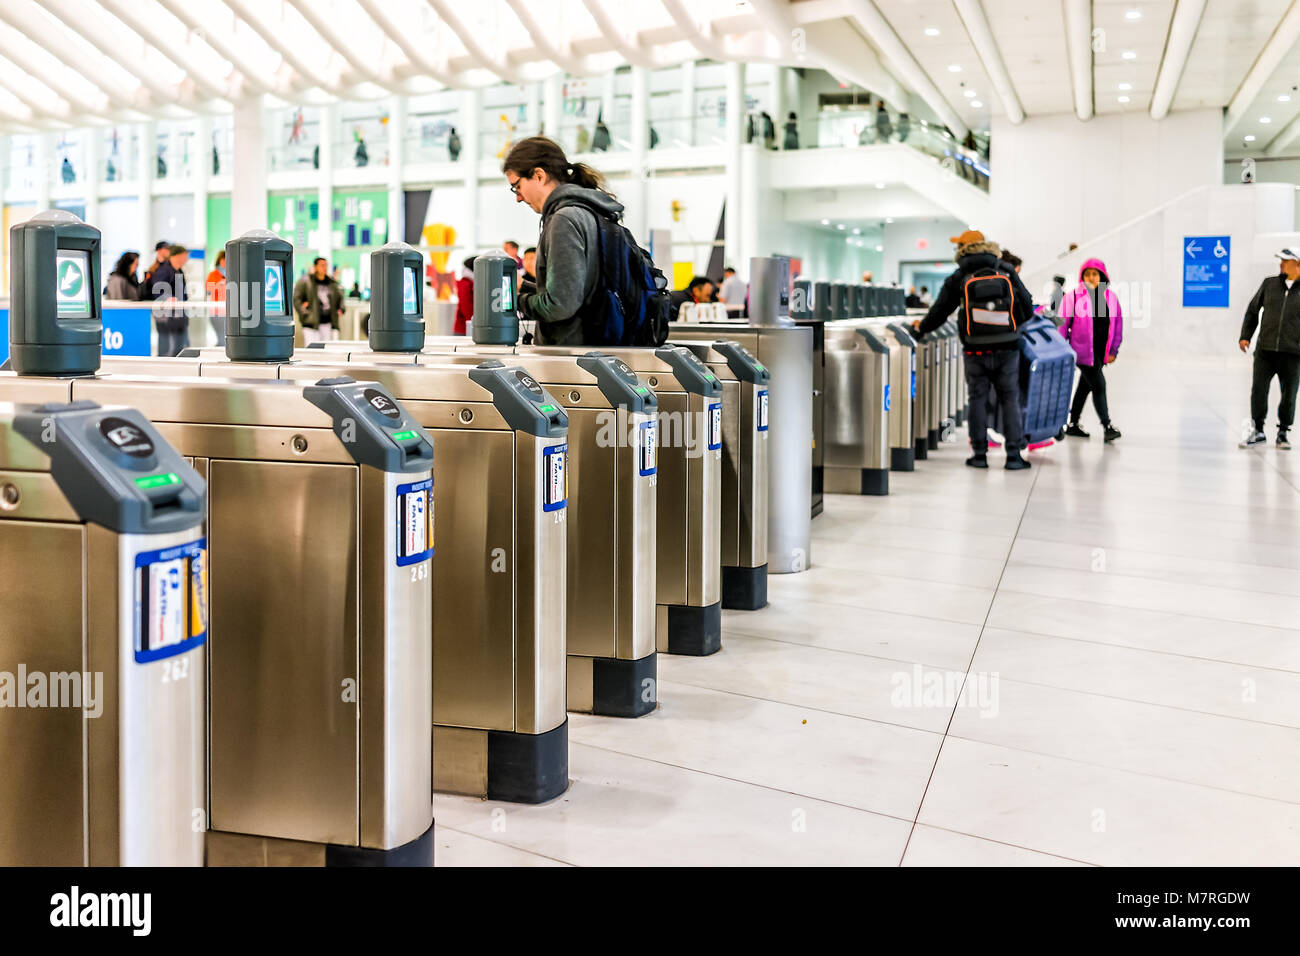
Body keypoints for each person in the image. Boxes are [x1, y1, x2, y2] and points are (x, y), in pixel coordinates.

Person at [914, 229, 1034, 470]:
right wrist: (1012, 329)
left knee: (977, 400)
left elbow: (940, 311)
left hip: (975, 349)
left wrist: (921, 329)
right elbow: (1027, 307)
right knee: (1009, 398)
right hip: (1007, 347)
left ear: (965, 248)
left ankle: (979, 455)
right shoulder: (1006, 270)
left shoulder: (959, 275)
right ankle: (1013, 456)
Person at [503, 136, 622, 344]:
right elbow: (577, 291)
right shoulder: (589, 211)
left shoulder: (564, 219)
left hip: (569, 356)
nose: (518, 197)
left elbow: (560, 305)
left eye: (517, 186)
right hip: (593, 348)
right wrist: (526, 288)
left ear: (539, 175)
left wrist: (512, 300)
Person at [1238, 248, 1300, 449]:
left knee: (1289, 394)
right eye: (1281, 260)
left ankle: (1283, 433)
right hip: (1265, 350)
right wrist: (1245, 336)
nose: (1281, 264)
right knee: (1258, 390)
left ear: (1297, 264)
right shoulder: (1269, 284)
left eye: (1286, 261)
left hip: (1292, 353)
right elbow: (1252, 310)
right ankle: (1258, 431)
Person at [1058, 258, 1123, 443]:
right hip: (1081, 352)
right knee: (1099, 385)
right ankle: (1107, 426)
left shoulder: (1110, 297)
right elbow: (1062, 325)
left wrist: (1114, 350)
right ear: (1082, 276)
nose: (1091, 278)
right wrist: (1062, 350)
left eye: (1095, 274)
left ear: (1102, 276)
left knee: (1084, 387)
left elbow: (1117, 325)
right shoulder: (1073, 297)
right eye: (1087, 274)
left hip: (1102, 352)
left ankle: (1072, 424)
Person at [146, 244, 190, 357]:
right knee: (168, 346)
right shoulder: (164, 270)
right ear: (177, 256)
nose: (187, 259)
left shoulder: (178, 270)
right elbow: (157, 290)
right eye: (185, 256)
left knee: (180, 345)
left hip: (178, 314)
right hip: (167, 316)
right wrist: (167, 298)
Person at [293, 256, 344, 344]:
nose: (325, 268)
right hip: (311, 323)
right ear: (315, 267)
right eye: (322, 265)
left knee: (326, 350)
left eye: (326, 265)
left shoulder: (331, 283)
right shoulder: (305, 281)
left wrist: (341, 309)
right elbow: (297, 299)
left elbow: (340, 298)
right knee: (311, 349)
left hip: (327, 322)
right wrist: (304, 312)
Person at [205, 250, 227, 346]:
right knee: (222, 340)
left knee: (226, 340)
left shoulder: (232, 273)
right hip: (217, 311)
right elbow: (208, 289)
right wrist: (219, 285)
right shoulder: (213, 274)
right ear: (221, 260)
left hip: (229, 311)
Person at [454, 256, 475, 335]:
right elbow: (466, 307)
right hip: (464, 328)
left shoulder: (471, 282)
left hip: (469, 326)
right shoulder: (465, 283)